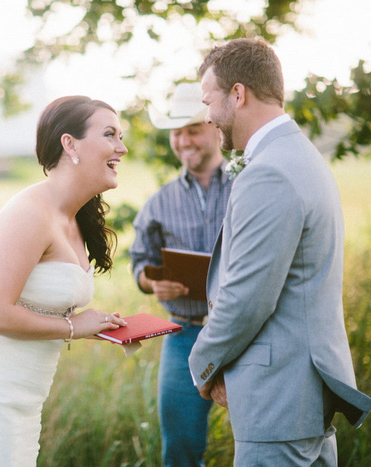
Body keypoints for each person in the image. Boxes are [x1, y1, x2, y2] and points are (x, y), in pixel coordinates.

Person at [188, 38, 371, 466]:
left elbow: (247, 298)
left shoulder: (269, 172)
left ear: (238, 94)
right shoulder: (302, 156)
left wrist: (203, 364)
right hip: (303, 398)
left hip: (278, 400)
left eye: (209, 100)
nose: (207, 115)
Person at [0, 95, 128, 467]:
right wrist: (72, 327)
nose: (122, 147)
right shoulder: (28, 214)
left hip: (22, 397)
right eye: (110, 134)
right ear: (70, 144)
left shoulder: (72, 216)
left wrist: (98, 325)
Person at [130, 82, 231, 467]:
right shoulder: (158, 202)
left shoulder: (250, 185)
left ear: (215, 129)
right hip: (184, 335)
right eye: (177, 132)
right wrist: (151, 281)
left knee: (262, 444)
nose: (184, 140)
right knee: (181, 449)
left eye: (192, 130)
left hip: (252, 333)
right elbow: (139, 263)